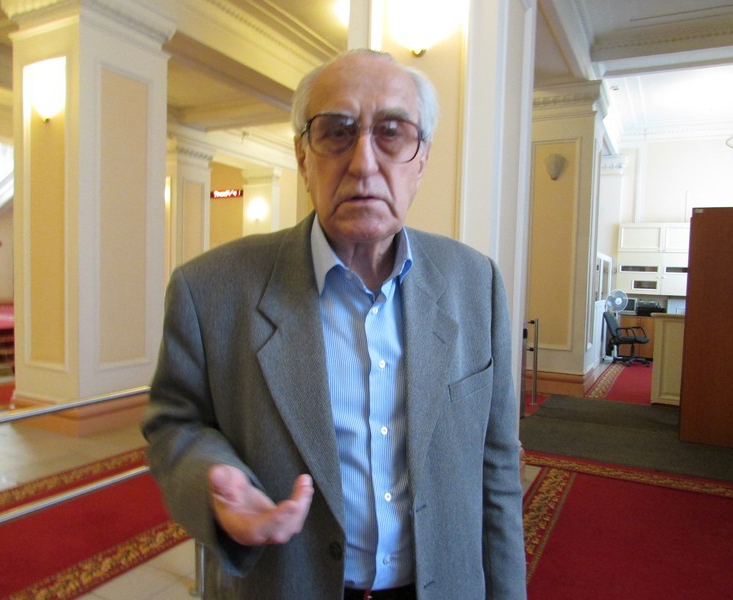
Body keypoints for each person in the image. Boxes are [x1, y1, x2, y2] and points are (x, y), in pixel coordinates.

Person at [143, 48, 527, 599]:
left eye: (391, 133)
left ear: (421, 159)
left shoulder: (475, 284)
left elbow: (497, 470)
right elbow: (173, 424)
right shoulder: (209, 290)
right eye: (337, 132)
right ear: (303, 157)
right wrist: (212, 478)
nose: (364, 163)